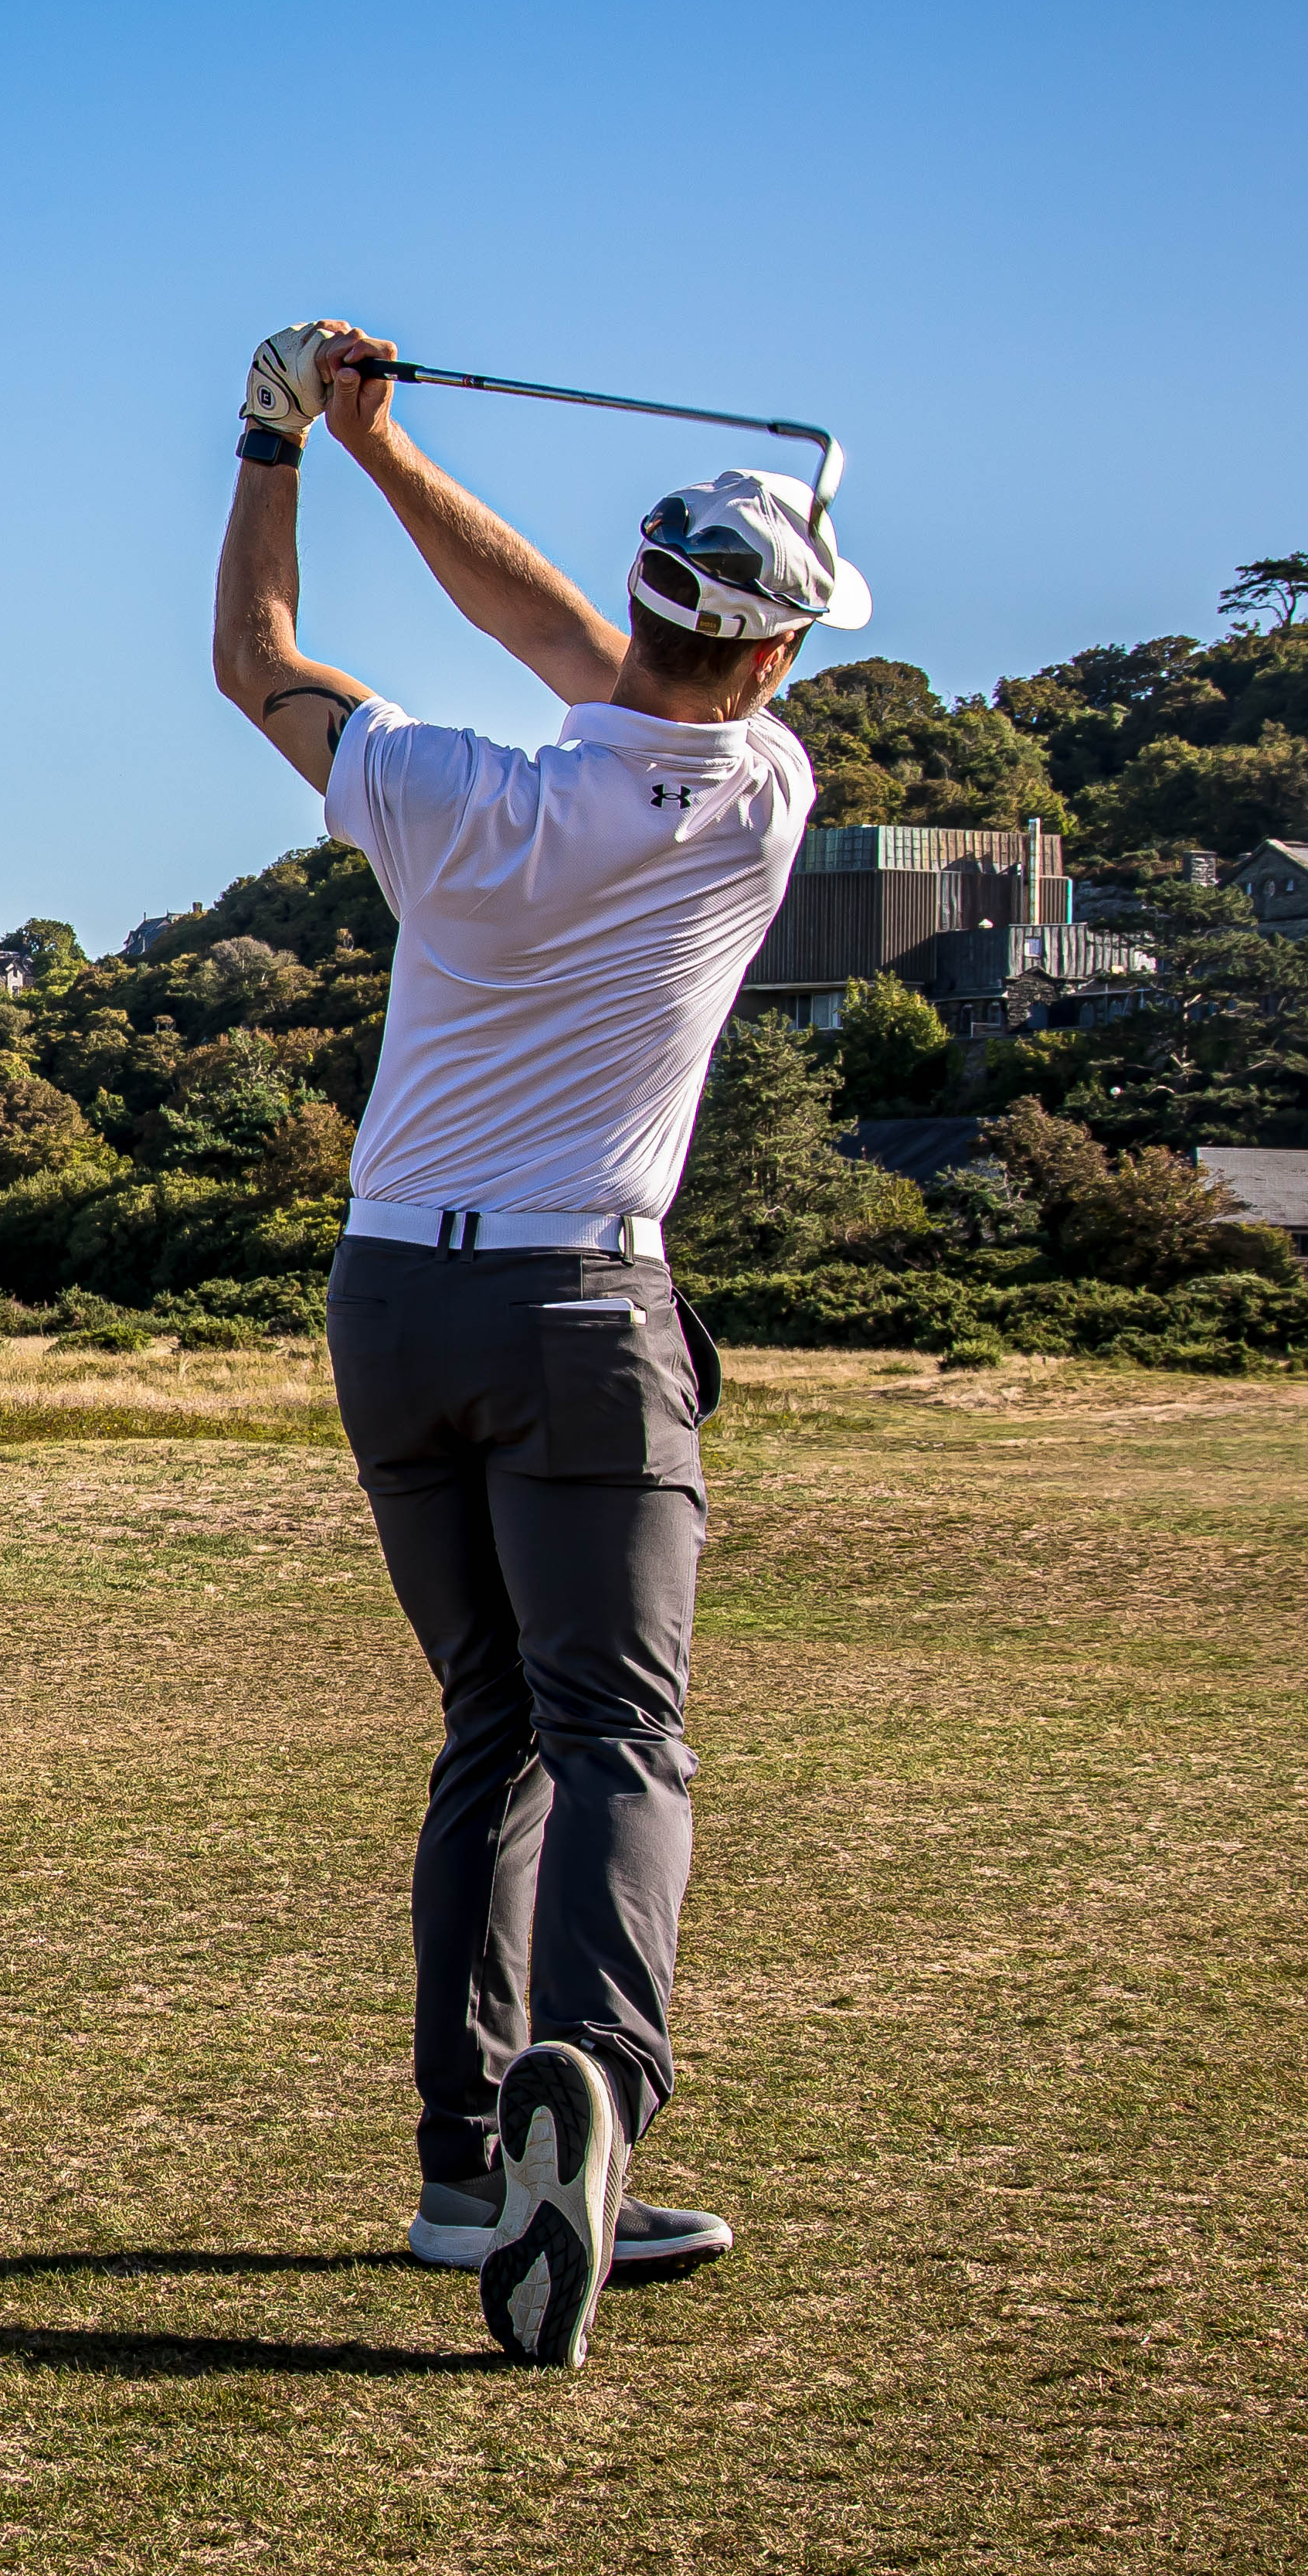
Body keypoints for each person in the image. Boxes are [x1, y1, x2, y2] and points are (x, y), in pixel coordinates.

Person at [206, 320, 864, 2365]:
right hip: (587, 1303)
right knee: (619, 1738)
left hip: (393, 1297)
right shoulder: (763, 790)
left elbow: (262, 658)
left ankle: (460, 2170)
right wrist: (382, 450)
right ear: (765, 658)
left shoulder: (439, 787)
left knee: (487, 1731)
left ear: (663, 601)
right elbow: (612, 658)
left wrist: (298, 442)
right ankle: (586, 2089)